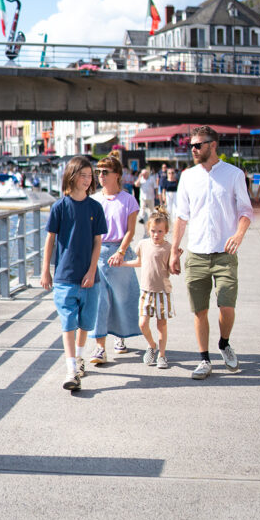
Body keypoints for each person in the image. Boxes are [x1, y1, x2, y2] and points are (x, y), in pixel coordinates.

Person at [169, 125, 253, 381]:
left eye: (198, 145)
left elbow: (246, 210)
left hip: (224, 253)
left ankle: (224, 343)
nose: (193, 149)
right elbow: (181, 217)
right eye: (191, 145)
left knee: (227, 306)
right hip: (196, 253)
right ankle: (204, 360)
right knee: (199, 310)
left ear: (212, 145)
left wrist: (238, 235)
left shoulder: (234, 174)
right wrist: (174, 252)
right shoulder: (187, 176)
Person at [40, 155, 107, 391]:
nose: (88, 180)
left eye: (90, 176)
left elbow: (97, 242)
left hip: (90, 277)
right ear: (72, 175)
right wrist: (45, 271)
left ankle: (79, 358)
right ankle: (70, 368)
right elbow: (50, 239)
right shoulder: (59, 206)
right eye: (83, 175)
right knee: (68, 322)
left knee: (85, 323)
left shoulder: (95, 208)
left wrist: (91, 270)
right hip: (65, 276)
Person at [88, 152, 141, 364]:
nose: (100, 176)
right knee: (99, 300)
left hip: (120, 252)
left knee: (122, 298)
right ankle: (100, 347)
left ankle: (121, 336)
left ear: (117, 175)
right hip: (98, 253)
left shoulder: (128, 200)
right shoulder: (93, 200)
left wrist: (121, 252)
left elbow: (130, 230)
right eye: (98, 172)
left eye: (105, 172)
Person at [121, 206, 179, 369]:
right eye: (153, 231)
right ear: (148, 230)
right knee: (142, 324)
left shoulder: (168, 247)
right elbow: (140, 262)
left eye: (160, 231)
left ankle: (162, 355)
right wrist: (124, 263)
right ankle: (152, 345)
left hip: (163, 292)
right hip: (146, 291)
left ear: (166, 231)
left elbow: (172, 270)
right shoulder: (143, 244)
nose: (156, 235)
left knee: (161, 325)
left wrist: (176, 259)